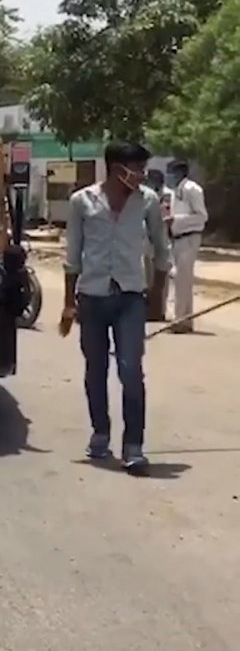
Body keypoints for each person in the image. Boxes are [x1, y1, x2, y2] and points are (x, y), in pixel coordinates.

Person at [60, 141, 171, 474]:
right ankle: (100, 433)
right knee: (96, 370)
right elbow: (72, 255)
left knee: (130, 370)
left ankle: (134, 446)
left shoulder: (148, 201)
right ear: (116, 169)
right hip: (92, 298)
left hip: (130, 298)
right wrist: (68, 304)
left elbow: (161, 250)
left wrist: (157, 294)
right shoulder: (82, 201)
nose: (141, 175)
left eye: (143, 169)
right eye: (136, 169)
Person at [165, 160, 209, 333]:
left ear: (179, 172)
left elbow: (201, 216)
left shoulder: (192, 189)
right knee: (178, 279)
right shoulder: (177, 191)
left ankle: (181, 320)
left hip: (189, 238)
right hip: (177, 238)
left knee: (183, 280)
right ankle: (184, 319)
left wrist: (176, 220)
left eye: (171, 172)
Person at [142, 169, 172, 321]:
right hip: (147, 241)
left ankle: (160, 310)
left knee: (162, 277)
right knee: (148, 277)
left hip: (163, 239)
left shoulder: (168, 195)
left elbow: (167, 217)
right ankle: (149, 308)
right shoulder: (145, 196)